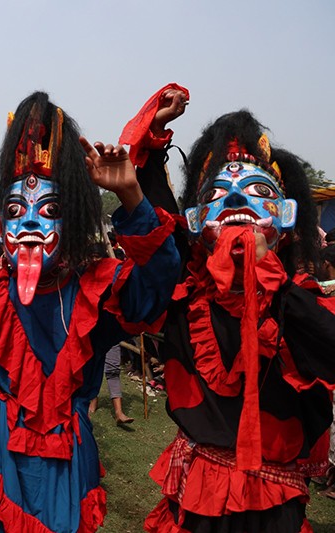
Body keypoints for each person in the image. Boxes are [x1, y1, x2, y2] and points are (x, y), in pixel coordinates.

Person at [0, 91, 181, 532]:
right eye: (17, 211)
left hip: (68, 456)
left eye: (51, 211)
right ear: (1, 227)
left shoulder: (100, 286)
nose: (33, 225)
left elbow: (160, 282)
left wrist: (131, 194)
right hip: (3, 448)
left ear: (73, 222)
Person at [125, 86, 335, 533]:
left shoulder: (305, 302)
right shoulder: (185, 291)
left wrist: (268, 277)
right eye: (221, 193)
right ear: (199, 219)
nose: (237, 202)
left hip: (272, 504)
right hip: (196, 489)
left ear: (286, 215)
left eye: (257, 191)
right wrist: (156, 130)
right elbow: (155, 218)